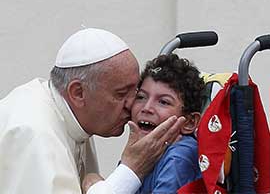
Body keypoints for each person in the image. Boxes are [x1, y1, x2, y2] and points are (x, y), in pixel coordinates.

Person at [0, 28, 185, 194]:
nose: (133, 104)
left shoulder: (70, 115)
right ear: (78, 93)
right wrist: (130, 170)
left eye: (135, 91)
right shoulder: (33, 134)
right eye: (121, 94)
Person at [132, 54, 204, 193]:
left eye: (163, 102)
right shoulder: (140, 149)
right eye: (141, 97)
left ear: (189, 122)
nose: (146, 108)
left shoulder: (179, 157)